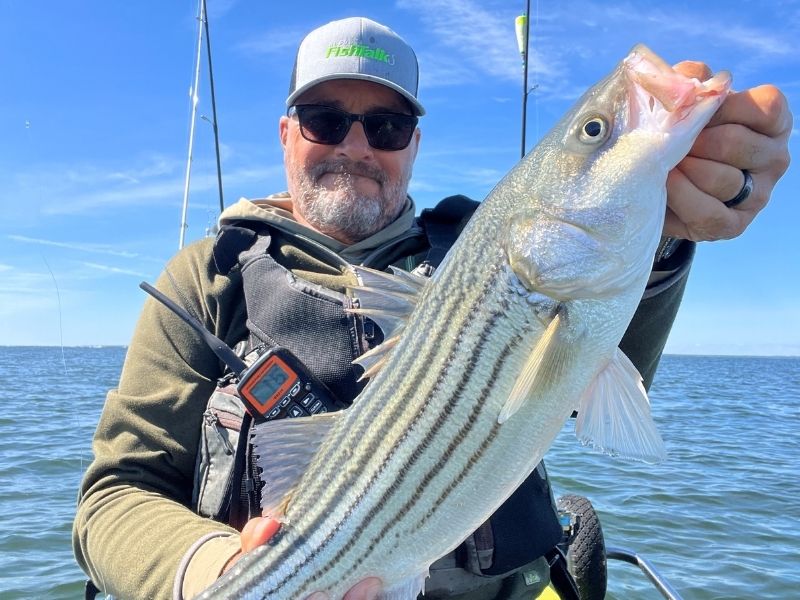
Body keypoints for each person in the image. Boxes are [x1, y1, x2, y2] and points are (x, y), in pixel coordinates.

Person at [73, 16, 792, 600]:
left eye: (385, 126)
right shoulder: (207, 278)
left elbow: (598, 370)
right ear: (287, 133)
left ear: (415, 142)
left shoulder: (476, 251)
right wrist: (216, 577)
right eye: (326, 120)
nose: (356, 146)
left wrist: (666, 241)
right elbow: (113, 495)